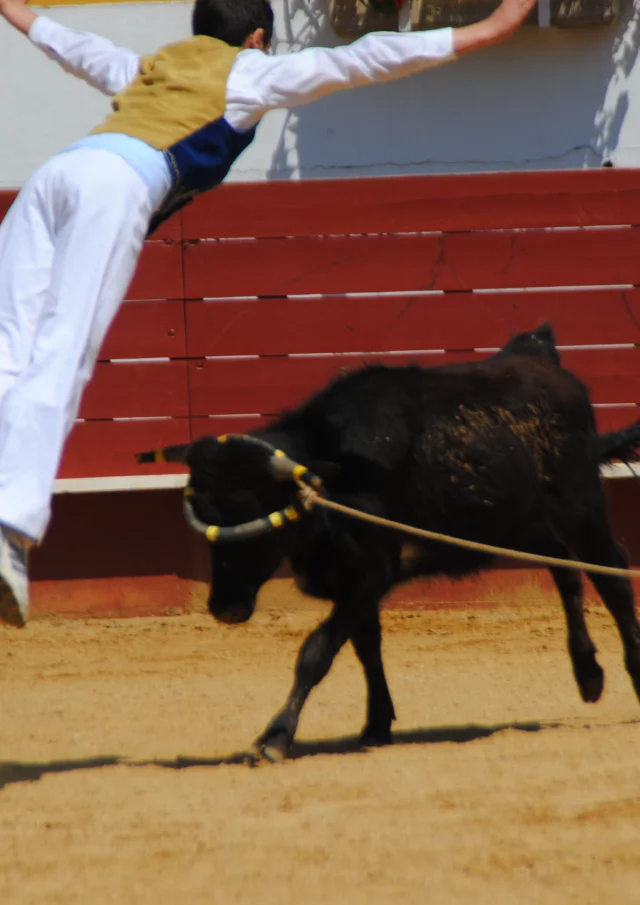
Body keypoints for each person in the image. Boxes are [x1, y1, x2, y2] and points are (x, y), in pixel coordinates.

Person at [0, 0, 536, 627]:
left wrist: (14, 7)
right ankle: (10, 525)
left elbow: (69, 43)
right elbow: (361, 59)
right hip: (116, 184)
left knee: (8, 349)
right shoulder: (248, 72)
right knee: (62, 355)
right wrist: (486, 29)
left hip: (54, 176)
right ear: (256, 38)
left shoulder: (148, 66)